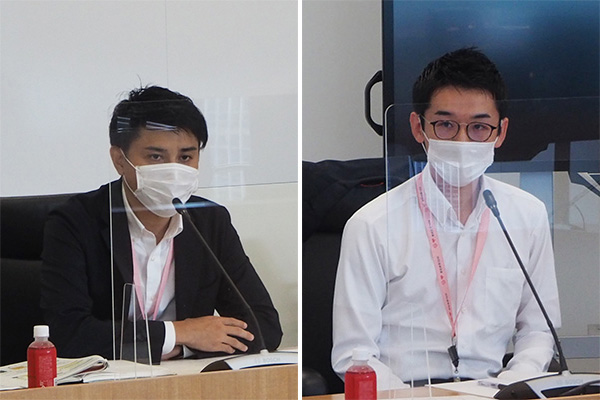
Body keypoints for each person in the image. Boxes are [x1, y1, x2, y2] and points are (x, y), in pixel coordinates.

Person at [331, 48, 560, 388]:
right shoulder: (372, 225)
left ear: (501, 132)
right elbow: (353, 354)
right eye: (446, 125)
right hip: (405, 392)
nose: (462, 140)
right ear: (418, 127)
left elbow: (539, 330)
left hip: (492, 391)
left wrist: (513, 385)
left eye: (479, 127)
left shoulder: (526, 215)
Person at [40, 86, 282, 363]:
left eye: (186, 157)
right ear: (119, 160)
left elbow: (264, 326)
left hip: (185, 379)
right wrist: (180, 333)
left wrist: (184, 346)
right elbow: (68, 334)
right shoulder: (75, 222)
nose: (173, 170)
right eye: (156, 157)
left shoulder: (210, 221)